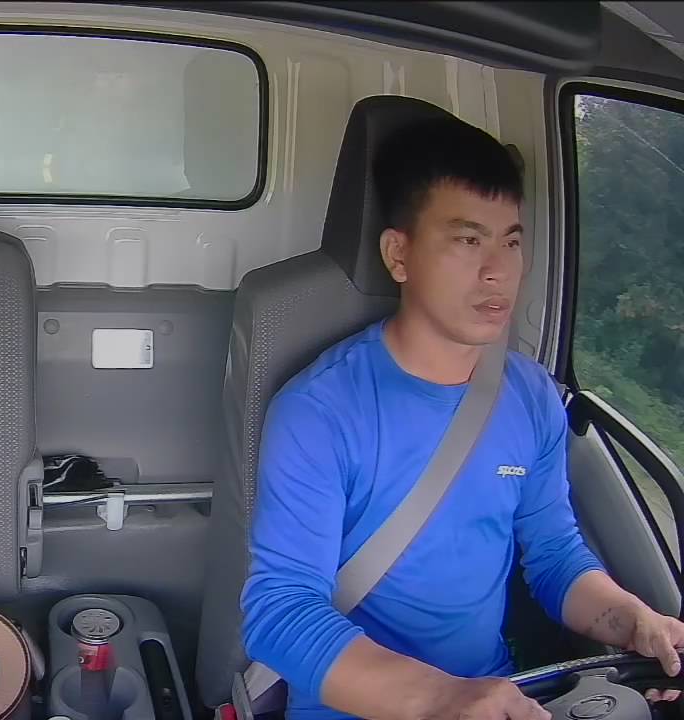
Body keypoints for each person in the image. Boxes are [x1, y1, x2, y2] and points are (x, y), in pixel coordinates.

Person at [240, 116, 684, 720]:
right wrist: (441, 699)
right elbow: (281, 611)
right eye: (469, 240)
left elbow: (556, 558)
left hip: (502, 695)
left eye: (511, 241)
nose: (499, 270)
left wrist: (634, 621)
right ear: (399, 254)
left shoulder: (532, 397)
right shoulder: (320, 411)